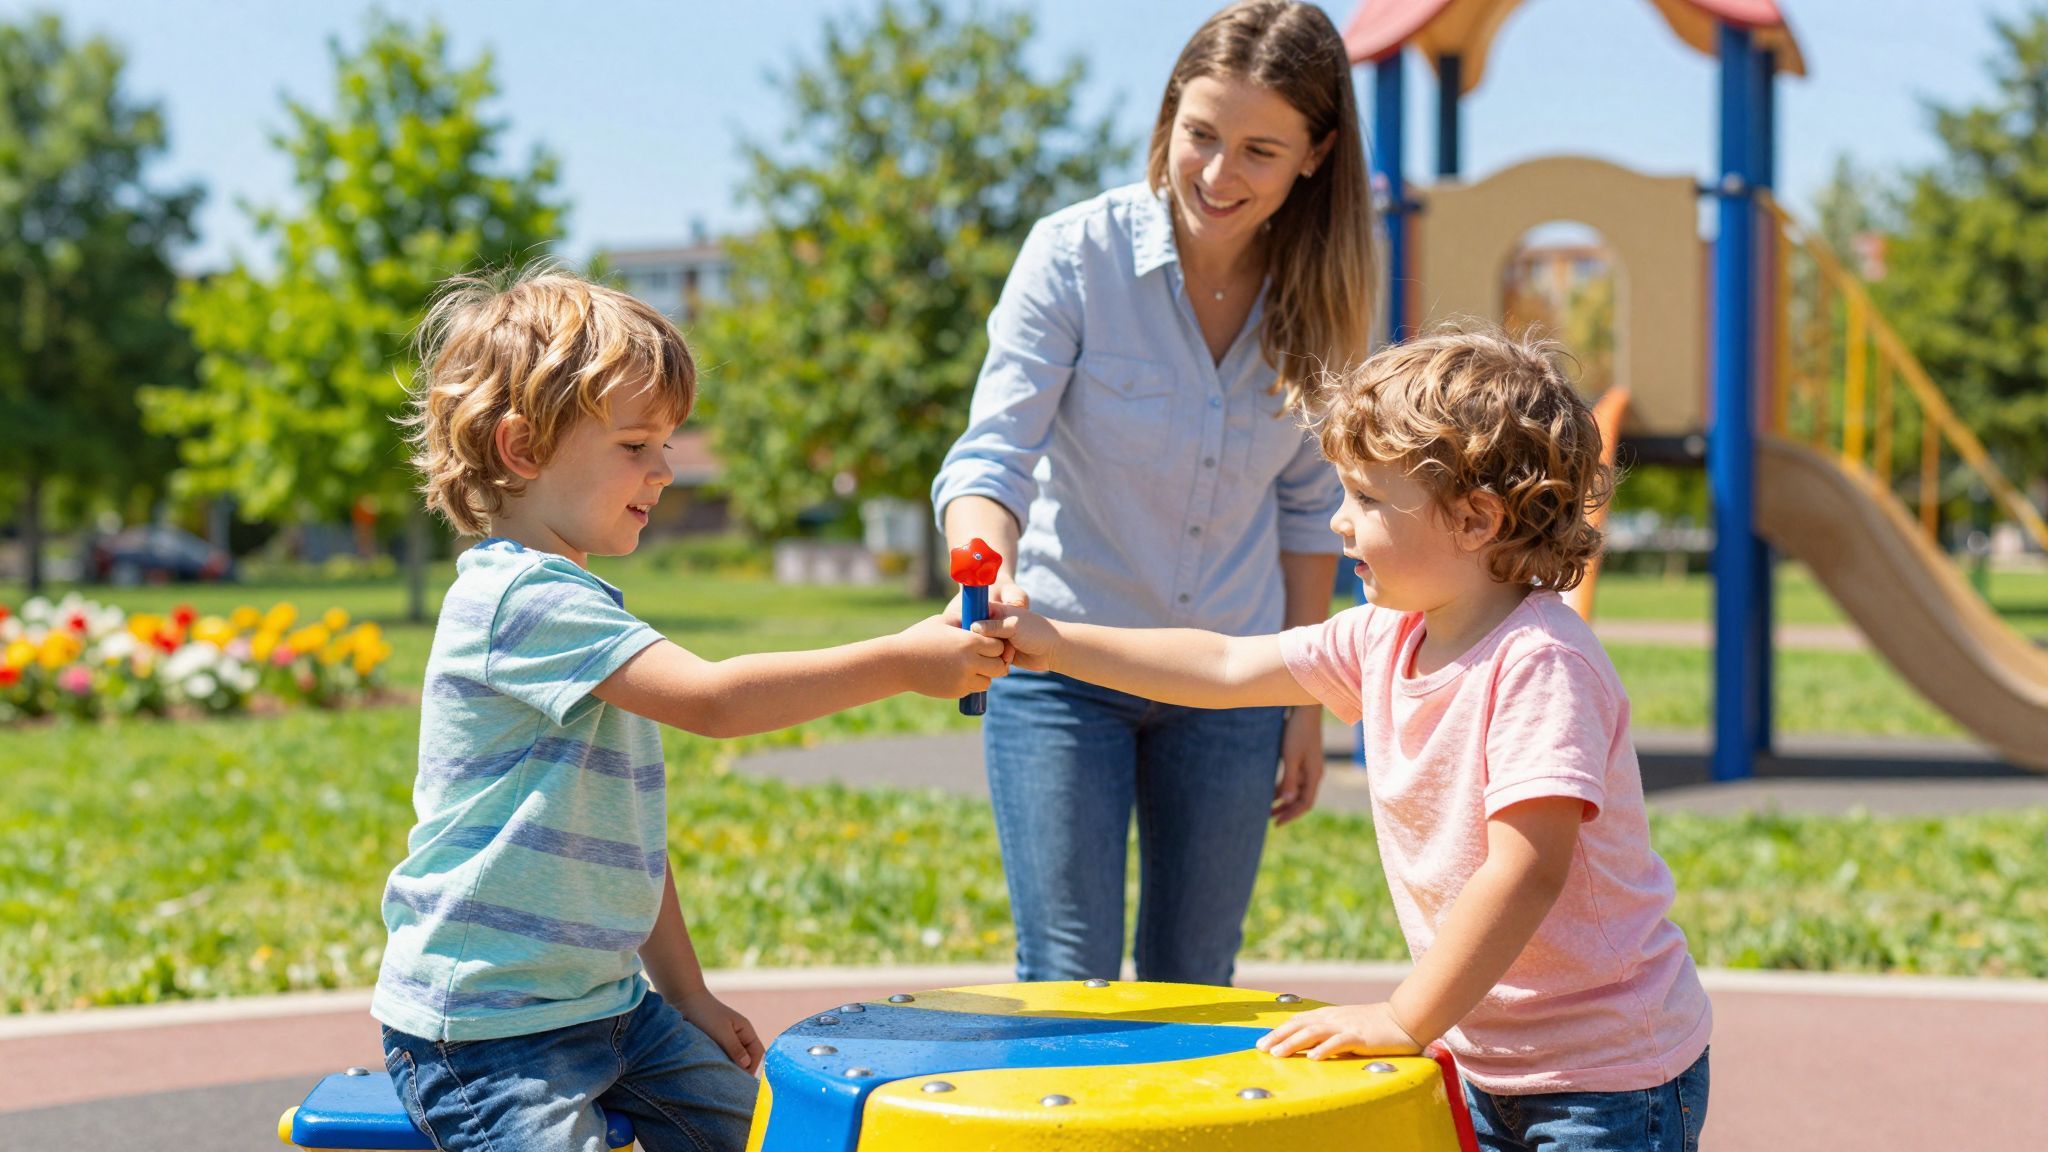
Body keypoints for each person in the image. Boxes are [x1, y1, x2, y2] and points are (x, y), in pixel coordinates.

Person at [977, 328, 1713, 1152]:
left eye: (1366, 498)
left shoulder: (1541, 663)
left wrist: (1404, 1018)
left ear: (1475, 519)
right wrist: (1056, 644)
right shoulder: (1385, 637)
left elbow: (1525, 870)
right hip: (1487, 1056)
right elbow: (1224, 664)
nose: (1339, 521)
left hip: (1605, 1077)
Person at [374, 267, 1008, 1152]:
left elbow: (629, 842)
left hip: (612, 1010)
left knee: (771, 1138)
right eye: (636, 444)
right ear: (522, 448)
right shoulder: (520, 599)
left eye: (667, 443)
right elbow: (715, 701)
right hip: (488, 1033)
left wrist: (685, 994)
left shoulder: (584, 604)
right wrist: (902, 662)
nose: (666, 470)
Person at [929, 0, 1376, 987]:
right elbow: (992, 456)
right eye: (1201, 134)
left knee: (1194, 978)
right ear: (1169, 115)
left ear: (1315, 155)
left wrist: (1304, 702)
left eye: (1260, 151)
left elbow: (1310, 512)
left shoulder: (1325, 298)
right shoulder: (1074, 255)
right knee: (1068, 976)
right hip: (1060, 659)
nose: (1217, 175)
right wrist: (981, 578)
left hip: (1229, 684)